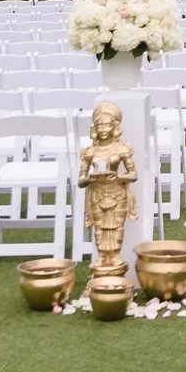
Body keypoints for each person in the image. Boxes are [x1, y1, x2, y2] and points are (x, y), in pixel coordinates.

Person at [77, 100, 138, 275]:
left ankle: (116, 267)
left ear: (114, 126)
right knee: (99, 231)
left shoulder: (121, 149)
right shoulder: (90, 152)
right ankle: (103, 264)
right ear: (94, 127)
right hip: (97, 193)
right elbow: (81, 181)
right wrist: (90, 178)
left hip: (117, 193)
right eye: (100, 125)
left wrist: (118, 176)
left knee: (117, 230)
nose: (103, 129)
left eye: (107, 125)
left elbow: (133, 175)